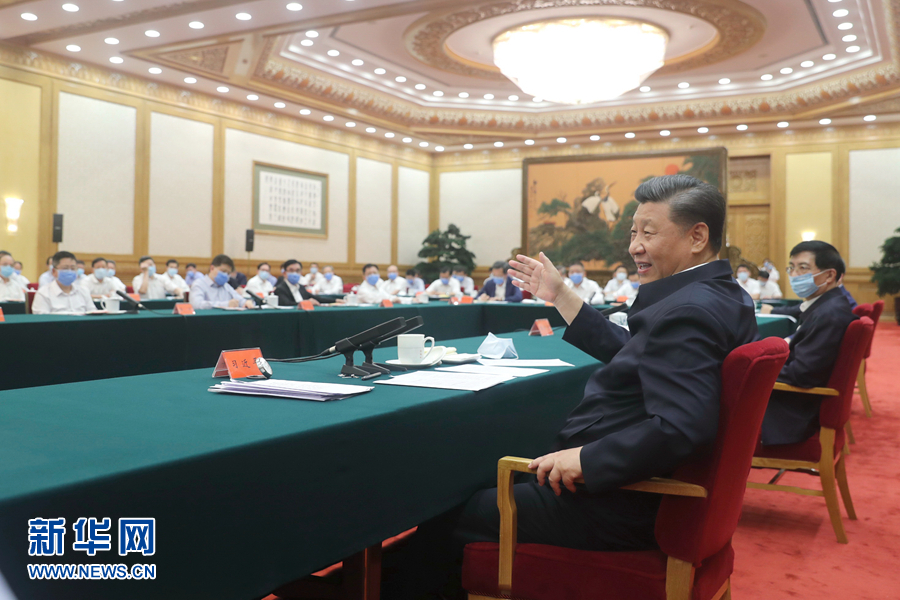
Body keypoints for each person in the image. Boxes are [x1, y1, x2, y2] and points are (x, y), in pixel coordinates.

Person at [382, 174, 756, 600]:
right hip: (642, 486)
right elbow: (640, 355)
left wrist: (587, 459)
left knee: (448, 513)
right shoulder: (720, 294)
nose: (635, 246)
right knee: (481, 481)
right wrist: (561, 295)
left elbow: (681, 427)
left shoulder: (689, 309)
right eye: (633, 233)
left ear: (697, 237)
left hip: (621, 500)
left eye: (648, 233)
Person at [759, 241, 857, 445]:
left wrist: (754, 370)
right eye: (791, 268)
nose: (794, 275)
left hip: (793, 414)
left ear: (829, 275)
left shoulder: (830, 314)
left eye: (803, 268)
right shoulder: (827, 304)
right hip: (799, 404)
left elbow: (801, 374)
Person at [190, 254, 256, 310]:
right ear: (212, 268)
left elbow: (240, 300)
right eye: (223, 271)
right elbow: (196, 305)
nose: (225, 275)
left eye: (228, 273)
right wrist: (226, 304)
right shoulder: (199, 284)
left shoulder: (226, 286)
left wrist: (247, 302)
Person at [273, 260, 339, 307]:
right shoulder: (280, 289)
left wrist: (336, 300)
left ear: (301, 273)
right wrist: (307, 303)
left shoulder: (301, 287)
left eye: (297, 271)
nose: (295, 273)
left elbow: (317, 298)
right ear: (284, 273)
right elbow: (286, 304)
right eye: (291, 270)